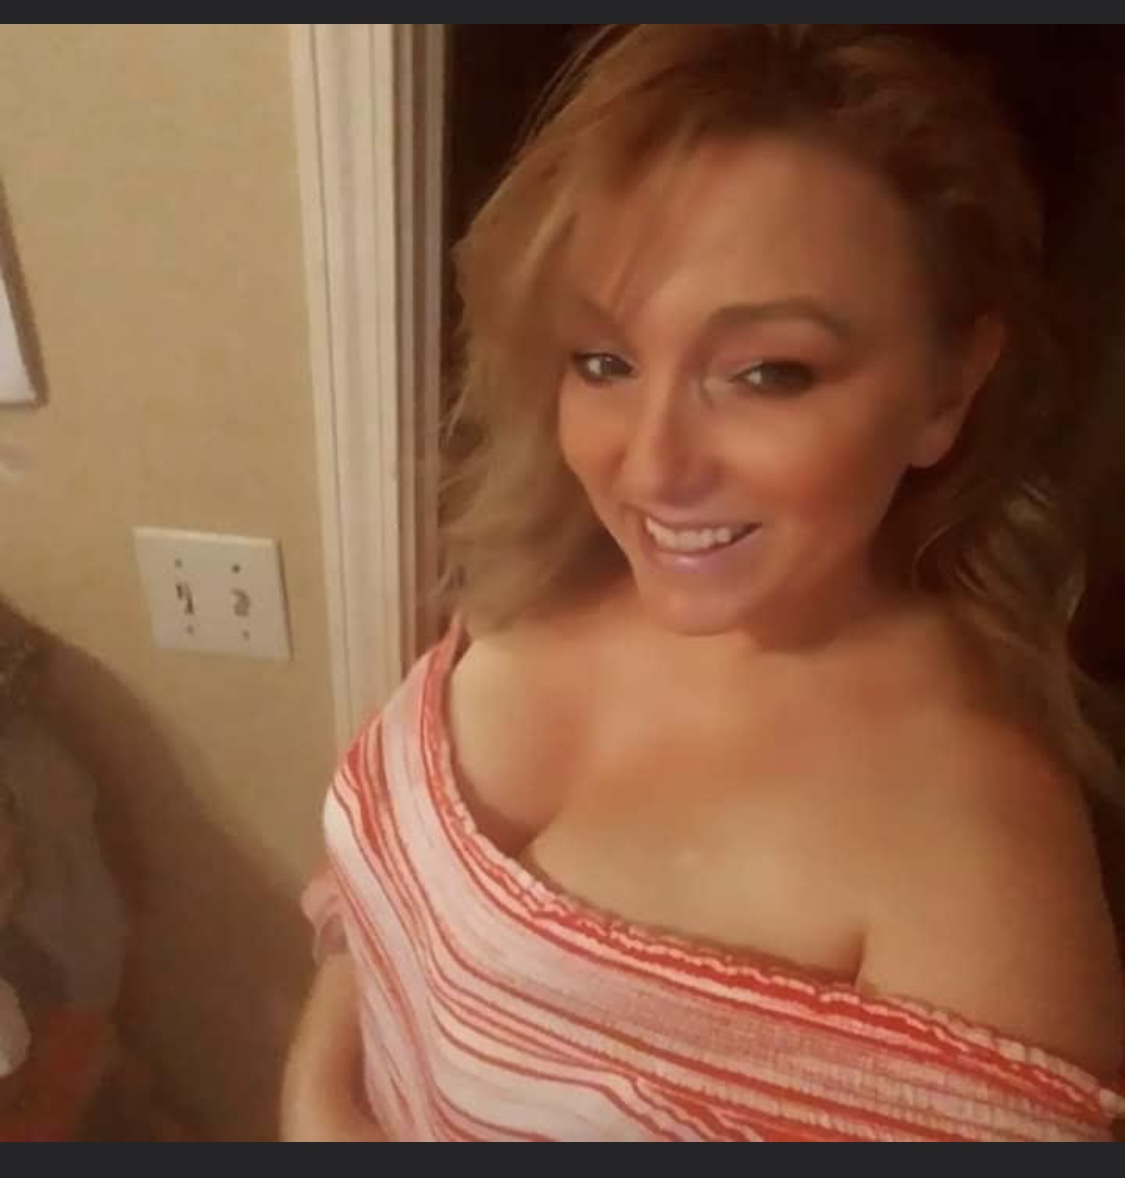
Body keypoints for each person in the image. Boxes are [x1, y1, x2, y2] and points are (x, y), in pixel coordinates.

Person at [281, 25, 1125, 1141]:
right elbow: (378, 914)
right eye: (604, 361)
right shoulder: (543, 569)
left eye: (768, 372)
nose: (649, 467)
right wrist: (316, 1100)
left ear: (947, 389)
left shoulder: (979, 866)